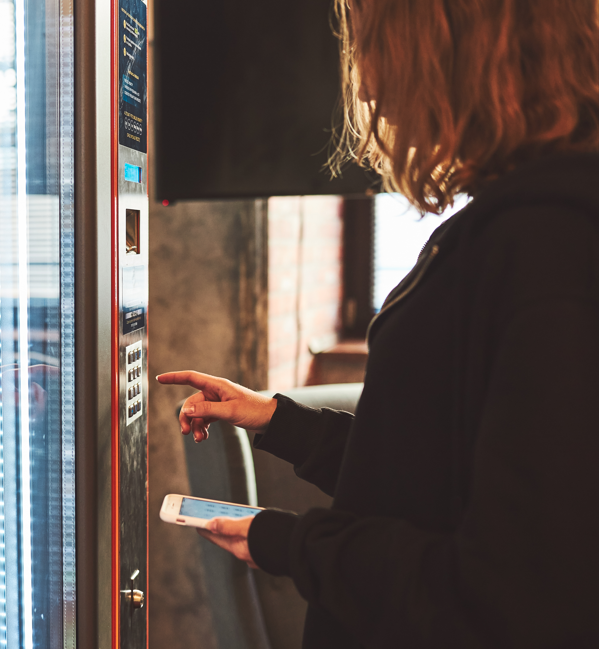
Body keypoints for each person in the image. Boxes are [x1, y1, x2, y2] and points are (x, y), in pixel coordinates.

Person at [156, 0, 599, 647]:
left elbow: (512, 595)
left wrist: (290, 541)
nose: (365, 85)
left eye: (372, 48)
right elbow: (436, 474)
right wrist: (279, 419)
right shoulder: (518, 229)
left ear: (457, 53)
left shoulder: (547, 250)